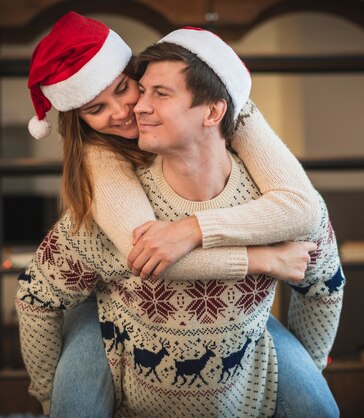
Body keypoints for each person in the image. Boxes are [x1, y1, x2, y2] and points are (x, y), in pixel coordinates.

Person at [18, 13, 343, 417]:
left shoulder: (229, 105)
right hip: (109, 314)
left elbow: (305, 213)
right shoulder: (98, 158)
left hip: (241, 328)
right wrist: (261, 260)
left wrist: (195, 228)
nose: (125, 111)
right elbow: (147, 251)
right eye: (96, 108)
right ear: (79, 119)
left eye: (125, 88)